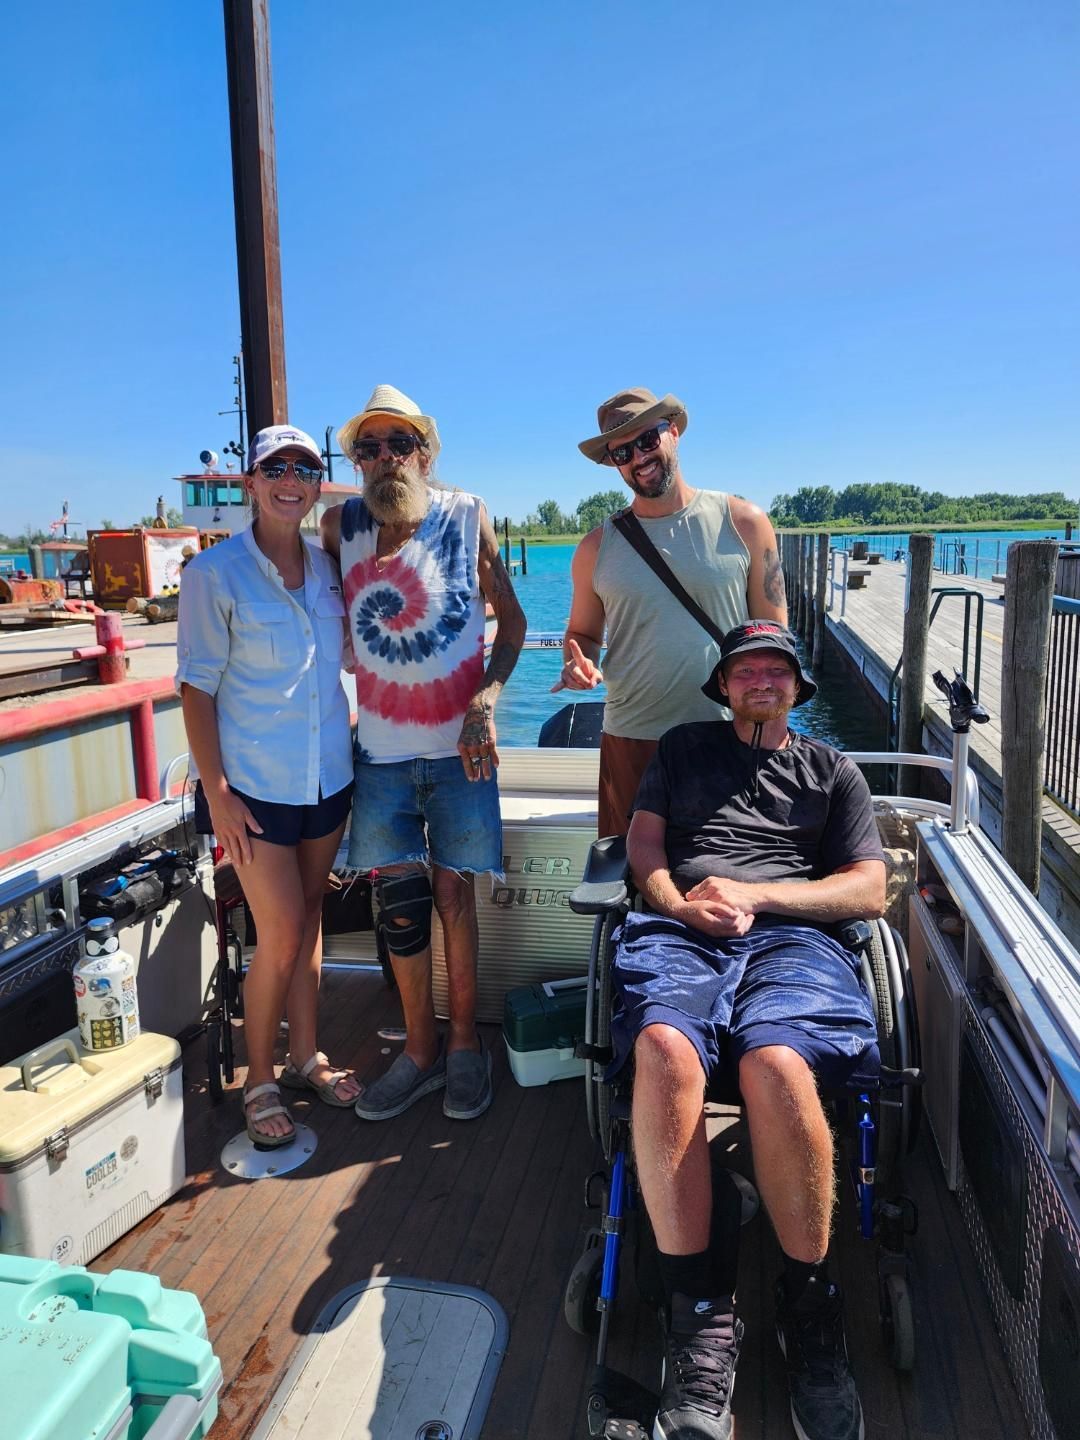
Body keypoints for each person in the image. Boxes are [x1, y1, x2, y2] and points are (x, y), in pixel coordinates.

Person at [612, 621, 886, 1440]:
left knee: (776, 1064)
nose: (761, 681)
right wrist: (680, 903)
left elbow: (868, 888)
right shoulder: (682, 748)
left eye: (777, 671)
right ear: (724, 687)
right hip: (683, 928)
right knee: (662, 1049)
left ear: (798, 688)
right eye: (745, 671)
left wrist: (763, 898)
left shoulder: (833, 771)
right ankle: (699, 1313)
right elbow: (645, 846)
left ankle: (809, 1305)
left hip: (792, 936)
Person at [321, 385, 526, 1122]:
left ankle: (465, 1042)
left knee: (454, 897)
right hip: (377, 755)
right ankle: (418, 1050)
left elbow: (514, 623)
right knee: (401, 907)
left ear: (425, 453)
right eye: (367, 448)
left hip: (458, 756)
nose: (383, 459)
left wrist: (486, 702)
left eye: (397, 444)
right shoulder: (337, 525)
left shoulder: (467, 515)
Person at [177, 424, 360, 1149]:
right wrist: (216, 791)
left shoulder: (328, 570)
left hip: (328, 778)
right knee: (279, 932)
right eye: (275, 467)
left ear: (318, 486)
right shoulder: (213, 575)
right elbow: (195, 689)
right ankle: (258, 1077)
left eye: (305, 468)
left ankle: (304, 1057)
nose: (292, 479)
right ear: (250, 484)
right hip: (252, 789)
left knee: (311, 918)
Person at [555, 387, 788, 838]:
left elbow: (776, 639)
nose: (638, 457)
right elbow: (581, 634)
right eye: (622, 451)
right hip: (632, 734)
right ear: (613, 463)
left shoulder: (746, 523)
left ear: (674, 431)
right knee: (630, 879)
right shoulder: (594, 548)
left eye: (647, 440)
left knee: (728, 876)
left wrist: (772, 734)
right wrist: (575, 661)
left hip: (729, 731)